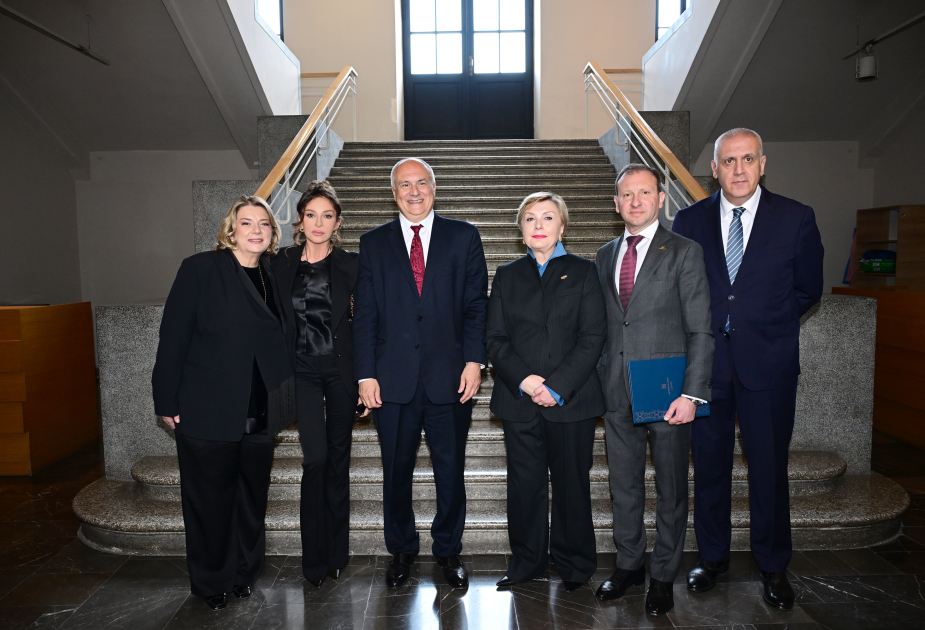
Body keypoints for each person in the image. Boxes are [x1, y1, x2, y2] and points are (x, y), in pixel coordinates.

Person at [672, 128, 823, 610]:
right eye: (729, 161)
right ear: (714, 169)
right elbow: (682, 289)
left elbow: (808, 288)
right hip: (706, 368)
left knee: (769, 468)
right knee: (709, 467)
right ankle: (712, 557)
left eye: (748, 159)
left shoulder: (796, 217)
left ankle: (773, 564)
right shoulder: (689, 220)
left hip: (768, 365)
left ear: (763, 164)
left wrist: (766, 322)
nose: (738, 169)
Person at [152, 196, 294, 611]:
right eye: (246, 222)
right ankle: (212, 580)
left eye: (263, 224)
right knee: (209, 503)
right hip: (207, 407)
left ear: (272, 233)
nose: (255, 230)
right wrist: (166, 398)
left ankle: (244, 572)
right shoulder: (200, 269)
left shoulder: (272, 274)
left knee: (251, 501)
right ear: (231, 229)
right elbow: (173, 337)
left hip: (260, 411)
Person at [353, 157, 488, 589]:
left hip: (450, 378)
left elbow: (476, 306)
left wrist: (474, 361)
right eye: (404, 185)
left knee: (450, 470)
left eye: (421, 183)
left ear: (434, 187)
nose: (414, 192)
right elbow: (365, 315)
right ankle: (402, 550)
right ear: (393, 193)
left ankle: (448, 550)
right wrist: (365, 374)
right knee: (396, 471)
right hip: (392, 381)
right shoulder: (373, 243)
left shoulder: (463, 236)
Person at [594, 164, 713, 616]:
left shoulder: (684, 251)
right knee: (623, 487)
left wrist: (692, 394)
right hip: (617, 392)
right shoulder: (604, 255)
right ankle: (629, 565)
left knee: (671, 489)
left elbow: (700, 329)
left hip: (668, 394)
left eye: (644, 193)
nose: (635, 201)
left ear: (661, 199)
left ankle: (663, 573)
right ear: (616, 203)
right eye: (626, 194)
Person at [486, 192, 606, 592]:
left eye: (548, 217)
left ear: (562, 226)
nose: (539, 225)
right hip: (519, 399)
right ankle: (527, 563)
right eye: (530, 219)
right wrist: (527, 381)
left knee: (572, 484)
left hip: (572, 399)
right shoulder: (506, 275)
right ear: (520, 230)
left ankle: (575, 565)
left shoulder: (585, 271)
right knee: (524, 487)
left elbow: (593, 337)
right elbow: (495, 338)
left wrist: (556, 386)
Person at [270, 181, 364, 588]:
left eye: (327, 216)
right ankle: (314, 557)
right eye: (311, 215)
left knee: (339, 460)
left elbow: (367, 324)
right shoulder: (280, 263)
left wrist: (367, 379)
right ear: (300, 220)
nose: (319, 223)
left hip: (342, 372)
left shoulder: (352, 265)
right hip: (302, 372)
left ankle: (336, 555)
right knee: (316, 459)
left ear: (338, 222)